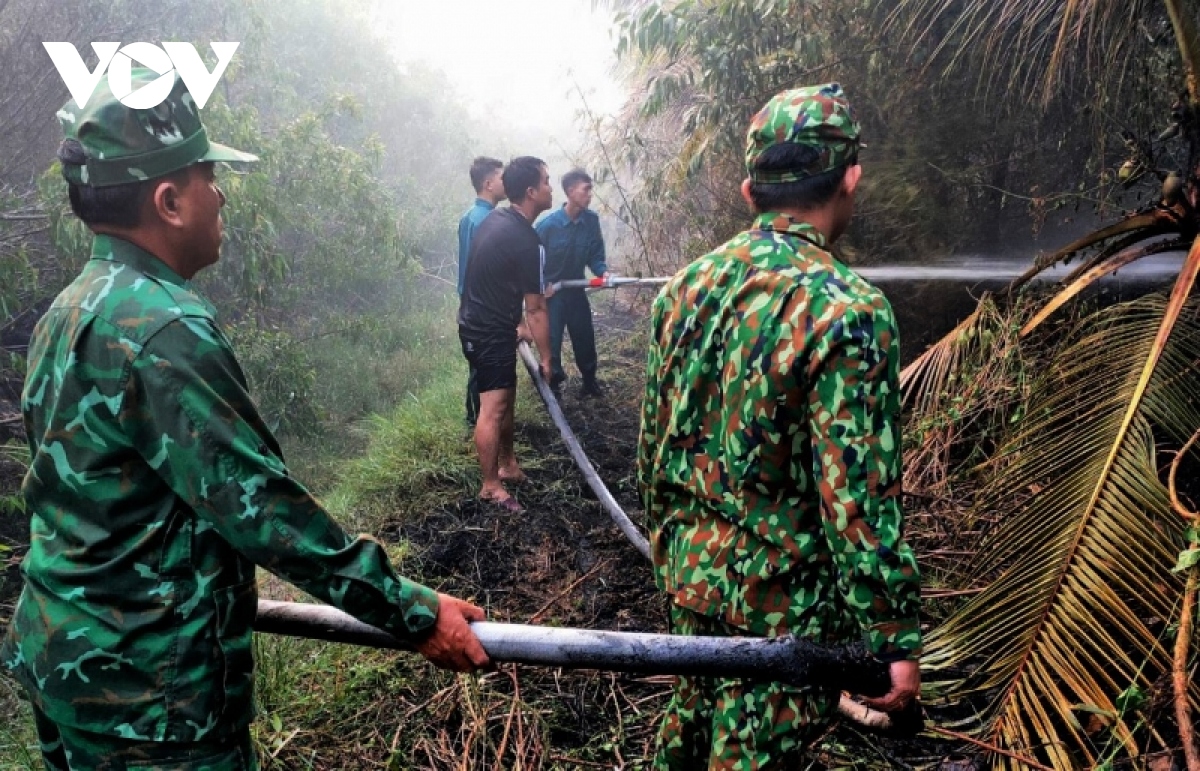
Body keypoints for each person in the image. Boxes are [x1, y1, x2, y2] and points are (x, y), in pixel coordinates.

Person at [1, 70, 490, 771]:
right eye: (208, 175)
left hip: (64, 669)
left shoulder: (70, 307)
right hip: (149, 710)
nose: (223, 192)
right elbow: (266, 511)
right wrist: (411, 609)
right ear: (170, 201)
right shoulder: (164, 329)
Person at [635, 83, 923, 769]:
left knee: (690, 727)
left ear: (748, 188)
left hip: (688, 582)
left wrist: (674, 564)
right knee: (752, 751)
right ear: (850, 177)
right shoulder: (848, 309)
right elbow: (855, 502)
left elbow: (652, 452)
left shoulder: (683, 288)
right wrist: (892, 639)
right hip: (783, 615)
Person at [457, 156, 554, 514]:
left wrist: (517, 324)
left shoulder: (498, 219)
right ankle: (490, 485)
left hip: (482, 322)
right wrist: (547, 358)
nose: (550, 188)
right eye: (546, 181)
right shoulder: (528, 241)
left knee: (505, 402)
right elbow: (537, 307)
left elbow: (495, 277)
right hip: (487, 332)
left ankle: (508, 465)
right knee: (493, 408)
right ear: (531, 192)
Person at [535, 168, 607, 396]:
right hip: (553, 295)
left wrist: (602, 273)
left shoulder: (591, 221)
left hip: (576, 291)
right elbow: (533, 261)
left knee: (584, 335)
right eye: (586, 190)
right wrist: (541, 283)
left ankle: (589, 380)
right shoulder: (547, 226)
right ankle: (553, 383)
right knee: (552, 339)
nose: (589, 195)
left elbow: (595, 255)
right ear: (570, 191)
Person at [457, 157, 507, 426]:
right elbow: (470, 270)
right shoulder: (478, 220)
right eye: (501, 177)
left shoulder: (483, 217)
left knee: (484, 367)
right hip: (480, 308)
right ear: (488, 184)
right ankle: (474, 422)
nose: (506, 182)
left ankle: (481, 420)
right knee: (481, 367)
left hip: (480, 305)